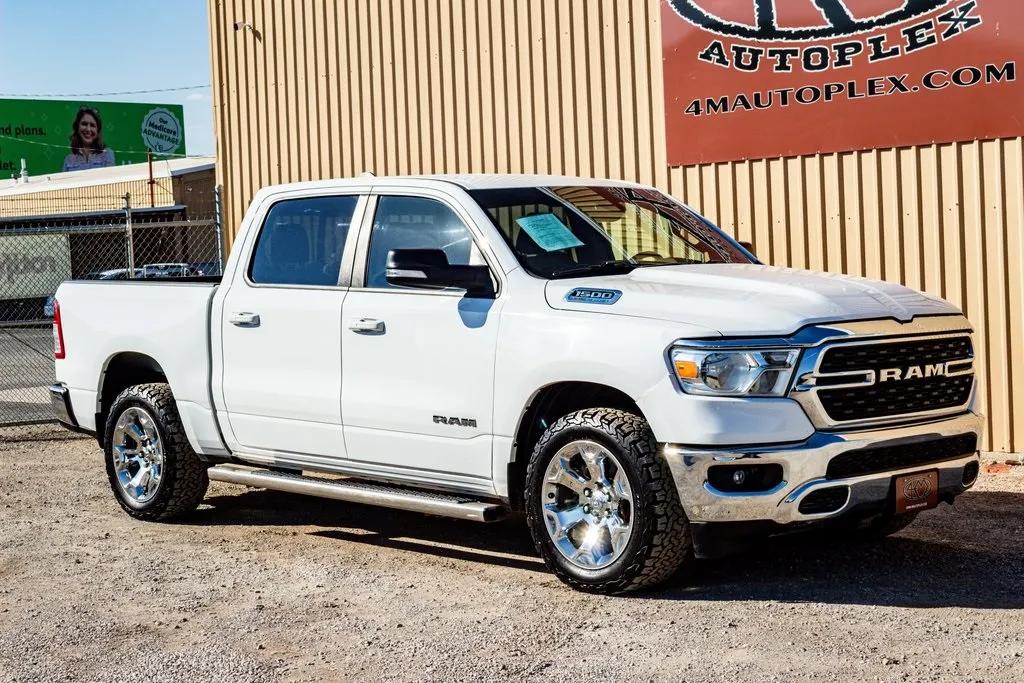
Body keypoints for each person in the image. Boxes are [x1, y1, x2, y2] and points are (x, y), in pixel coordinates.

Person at [62, 106, 115, 172]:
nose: (88, 129)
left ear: (98, 130)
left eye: (92, 125)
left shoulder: (107, 154)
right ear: (77, 127)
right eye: (84, 124)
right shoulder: (68, 159)